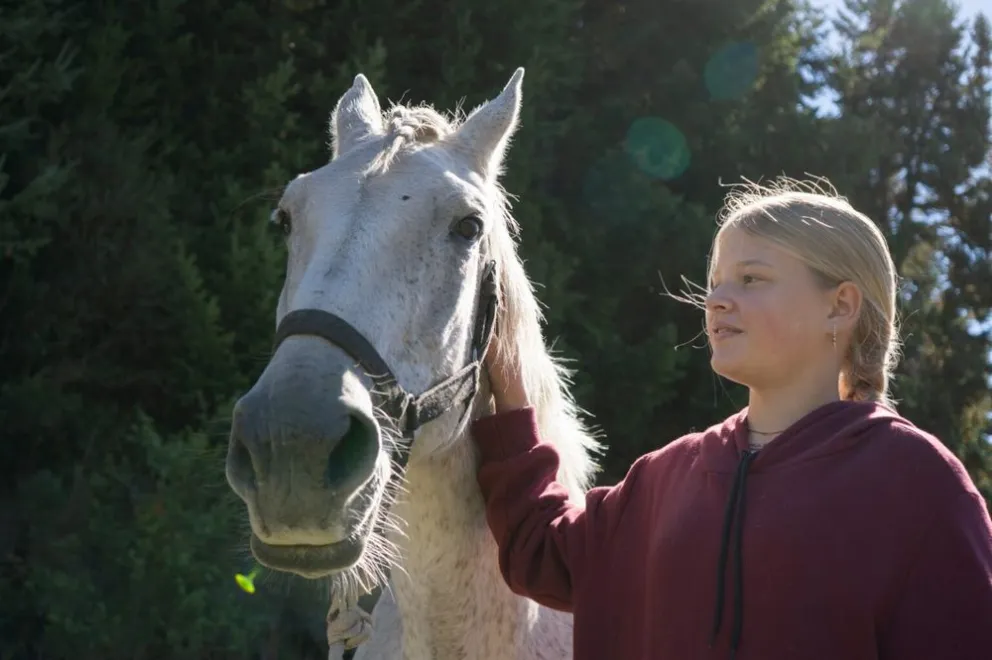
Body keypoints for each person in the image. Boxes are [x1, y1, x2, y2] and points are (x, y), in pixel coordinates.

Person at [471, 177, 992, 660]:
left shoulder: (920, 483)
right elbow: (541, 552)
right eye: (717, 281)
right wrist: (513, 397)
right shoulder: (663, 476)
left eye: (751, 278)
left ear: (840, 306)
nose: (717, 299)